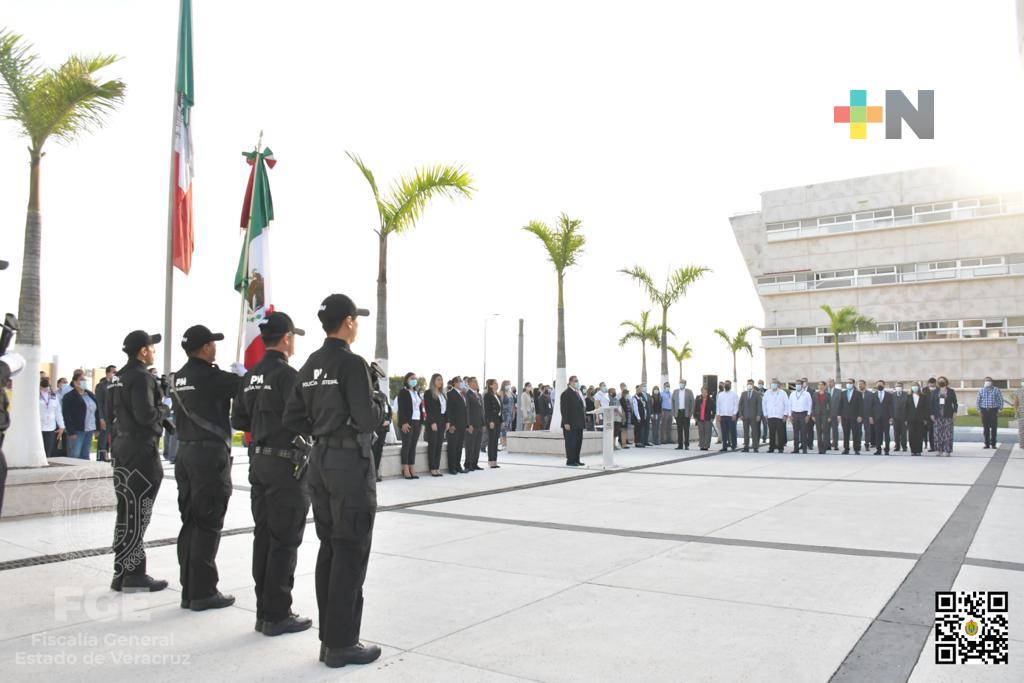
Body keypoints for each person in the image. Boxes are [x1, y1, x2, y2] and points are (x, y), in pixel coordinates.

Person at [281, 294, 386, 667]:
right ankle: (342, 643)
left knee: (330, 547)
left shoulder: (309, 365)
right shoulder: (352, 364)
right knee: (350, 548)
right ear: (347, 322)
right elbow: (369, 419)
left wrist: (322, 429)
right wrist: (376, 399)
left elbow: (292, 419)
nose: (356, 323)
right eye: (355, 318)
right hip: (347, 465)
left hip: (319, 462)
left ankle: (330, 640)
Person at [230, 311, 311, 636]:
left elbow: (239, 421)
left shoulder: (250, 376)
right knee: (284, 537)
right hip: (284, 465)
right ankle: (278, 614)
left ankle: (265, 611)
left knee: (263, 535)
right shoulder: (288, 376)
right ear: (287, 338)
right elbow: (306, 418)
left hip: (259, 461)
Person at [171, 324, 245, 611]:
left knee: (190, 522)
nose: (215, 347)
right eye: (212, 343)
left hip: (186, 455)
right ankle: (203, 592)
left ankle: (189, 588)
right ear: (205, 348)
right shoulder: (210, 376)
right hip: (208, 458)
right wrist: (242, 374)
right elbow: (247, 387)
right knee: (208, 523)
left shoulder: (179, 377)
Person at [107, 330, 169, 592]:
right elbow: (147, 417)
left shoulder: (117, 377)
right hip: (140, 450)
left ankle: (121, 572)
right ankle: (134, 574)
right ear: (143, 351)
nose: (153, 350)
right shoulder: (142, 377)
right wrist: (163, 402)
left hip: (121, 446)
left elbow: (110, 411)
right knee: (138, 511)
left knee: (126, 509)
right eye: (151, 347)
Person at [62, 373, 99, 460]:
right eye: (81, 380)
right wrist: (71, 431)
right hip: (77, 430)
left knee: (85, 454)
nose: (84, 382)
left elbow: (97, 410)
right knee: (75, 454)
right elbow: (67, 415)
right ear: (75, 382)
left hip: (89, 428)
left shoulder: (90, 394)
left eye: (85, 380)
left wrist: (98, 427)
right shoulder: (69, 396)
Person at [396, 372, 424, 479]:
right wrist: (403, 422)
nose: (414, 380)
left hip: (417, 421)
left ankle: (412, 467)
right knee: (406, 445)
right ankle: (405, 468)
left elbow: (420, 408)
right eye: (412, 378)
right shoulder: (403, 392)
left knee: (413, 446)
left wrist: (421, 422)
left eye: (415, 378)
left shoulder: (416, 393)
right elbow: (401, 409)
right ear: (407, 380)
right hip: (408, 422)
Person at [423, 374, 447, 477]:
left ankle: (437, 467)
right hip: (433, 421)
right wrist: (432, 422)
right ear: (433, 381)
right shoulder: (428, 393)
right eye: (438, 379)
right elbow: (428, 409)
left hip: (442, 421)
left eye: (441, 380)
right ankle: (432, 468)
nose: (440, 381)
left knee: (439, 445)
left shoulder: (443, 394)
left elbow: (446, 409)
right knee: (433, 445)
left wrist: (447, 421)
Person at [560, 375, 586, 466]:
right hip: (570, 423)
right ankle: (570, 460)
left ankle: (576, 459)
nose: (577, 382)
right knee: (571, 442)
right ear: (570, 382)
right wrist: (566, 422)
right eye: (575, 381)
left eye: (577, 381)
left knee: (578, 442)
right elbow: (564, 409)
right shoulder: (566, 393)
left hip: (579, 423)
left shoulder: (577, 392)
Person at [445, 376, 468, 475]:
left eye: (462, 381)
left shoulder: (462, 394)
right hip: (454, 426)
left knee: (459, 447)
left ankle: (458, 466)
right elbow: (449, 410)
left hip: (462, 425)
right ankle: (452, 467)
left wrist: (466, 424)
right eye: (460, 381)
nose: (462, 383)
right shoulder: (450, 394)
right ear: (454, 383)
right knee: (452, 447)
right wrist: (451, 424)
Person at [929, 376, 958, 457]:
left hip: (948, 415)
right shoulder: (934, 392)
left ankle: (947, 450)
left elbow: (955, 403)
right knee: (938, 433)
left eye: (943, 380)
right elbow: (931, 404)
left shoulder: (951, 391)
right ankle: (939, 450)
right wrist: (931, 414)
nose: (941, 382)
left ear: (946, 382)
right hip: (937, 415)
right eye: (940, 381)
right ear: (938, 383)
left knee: (948, 433)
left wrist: (955, 412)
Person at [863, 380, 893, 455]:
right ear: (876, 386)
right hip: (876, 418)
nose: (879, 386)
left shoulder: (889, 395)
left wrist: (891, 417)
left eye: (881, 384)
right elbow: (871, 407)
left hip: (886, 418)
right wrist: (870, 417)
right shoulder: (873, 395)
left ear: (884, 385)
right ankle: (878, 449)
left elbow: (891, 407)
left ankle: (887, 449)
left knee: (886, 434)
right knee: (878, 434)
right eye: (878, 385)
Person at [94, 365, 116, 462]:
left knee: (114, 439)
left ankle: (112, 457)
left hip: (115, 417)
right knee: (103, 440)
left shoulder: (117, 385)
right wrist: (101, 418)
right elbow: (99, 403)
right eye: (113, 372)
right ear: (107, 373)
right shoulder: (101, 386)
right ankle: (101, 458)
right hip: (105, 417)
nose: (115, 374)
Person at [976, 376, 1004, 449]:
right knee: (986, 428)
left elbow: (1000, 400)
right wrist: (979, 410)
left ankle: (993, 444)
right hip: (984, 410)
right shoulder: (981, 390)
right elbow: (978, 401)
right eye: (986, 381)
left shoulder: (996, 390)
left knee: (994, 428)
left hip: (993, 410)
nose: (987, 382)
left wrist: (1000, 409)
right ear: (984, 382)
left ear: (991, 382)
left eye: (989, 380)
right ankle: (987, 444)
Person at [762, 380, 790, 453]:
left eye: (775, 383)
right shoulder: (767, 393)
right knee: (771, 433)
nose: (773, 385)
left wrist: (785, 414)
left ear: (778, 385)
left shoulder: (782, 393)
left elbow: (786, 404)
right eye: (772, 383)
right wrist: (765, 414)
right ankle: (771, 447)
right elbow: (764, 404)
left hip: (779, 416)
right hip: (770, 415)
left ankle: (780, 448)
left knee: (780, 432)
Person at [39, 377, 64, 458]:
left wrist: (62, 426)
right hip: (38, 428)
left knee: (48, 452)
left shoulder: (53, 395)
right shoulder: (35, 395)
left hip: (50, 428)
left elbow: (58, 412)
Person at [464, 377, 484, 471]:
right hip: (472, 424)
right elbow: (467, 410)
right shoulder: (467, 394)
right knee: (470, 445)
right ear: (469, 383)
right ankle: (468, 464)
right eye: (474, 381)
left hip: (479, 423)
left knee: (477, 445)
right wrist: (468, 424)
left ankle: (475, 463)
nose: (477, 383)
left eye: (477, 381)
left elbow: (481, 410)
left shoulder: (479, 395)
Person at [838, 378, 863, 455]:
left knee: (856, 433)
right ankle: (846, 449)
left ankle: (856, 449)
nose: (848, 384)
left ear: (853, 384)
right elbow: (840, 405)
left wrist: (860, 415)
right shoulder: (843, 393)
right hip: (845, 417)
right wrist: (839, 415)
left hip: (855, 417)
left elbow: (861, 406)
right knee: (846, 434)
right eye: (847, 382)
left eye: (850, 383)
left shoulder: (858, 393)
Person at [738, 379, 763, 452]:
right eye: (748, 383)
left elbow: (759, 405)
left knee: (754, 432)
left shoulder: (757, 394)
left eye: (751, 384)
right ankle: (746, 446)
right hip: (745, 416)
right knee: (746, 432)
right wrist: (740, 414)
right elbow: (740, 405)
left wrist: (759, 415)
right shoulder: (743, 394)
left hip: (754, 416)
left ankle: (755, 447)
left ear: (753, 385)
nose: (749, 385)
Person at [788, 379, 811, 454]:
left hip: (803, 414)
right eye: (796, 384)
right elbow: (789, 405)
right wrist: (790, 415)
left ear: (802, 385)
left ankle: (804, 448)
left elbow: (810, 405)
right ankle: (796, 448)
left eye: (799, 384)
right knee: (795, 432)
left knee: (803, 432)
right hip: (794, 414)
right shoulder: (792, 394)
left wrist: (808, 415)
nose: (797, 385)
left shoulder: (806, 394)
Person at [484, 379, 502, 467]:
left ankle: (495, 460)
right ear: (490, 385)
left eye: (497, 383)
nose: (497, 384)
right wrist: (490, 421)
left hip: (497, 419)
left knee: (495, 441)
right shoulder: (487, 395)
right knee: (491, 441)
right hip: (492, 420)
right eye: (495, 383)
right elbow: (487, 410)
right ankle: (491, 460)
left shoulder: (497, 395)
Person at [716, 380, 738, 452]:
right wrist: (718, 414)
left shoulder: (734, 394)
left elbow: (736, 405)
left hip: (731, 416)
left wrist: (735, 414)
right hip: (723, 416)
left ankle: (734, 445)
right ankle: (724, 446)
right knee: (724, 432)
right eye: (725, 384)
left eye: (728, 384)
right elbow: (718, 405)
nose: (726, 385)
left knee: (732, 431)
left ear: (730, 386)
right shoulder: (720, 394)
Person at [908, 382, 930, 455]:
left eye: (916, 386)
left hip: (921, 419)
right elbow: (905, 408)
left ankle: (918, 450)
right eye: (913, 386)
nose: (915, 387)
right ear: (911, 387)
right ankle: (913, 451)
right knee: (911, 435)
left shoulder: (923, 396)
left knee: (919, 435)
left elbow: (926, 408)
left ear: (919, 387)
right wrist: (905, 419)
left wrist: (926, 419)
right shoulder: (908, 396)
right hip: (910, 419)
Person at [810, 381, 831, 454]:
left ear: (825, 386)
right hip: (817, 415)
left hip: (825, 415)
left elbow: (830, 406)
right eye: (819, 385)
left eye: (822, 385)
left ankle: (824, 448)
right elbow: (813, 405)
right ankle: (820, 448)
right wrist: (812, 415)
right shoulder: (815, 394)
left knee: (825, 432)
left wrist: (829, 416)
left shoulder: (828, 394)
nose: (820, 387)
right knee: (819, 432)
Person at [672, 379, 694, 450]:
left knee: (686, 429)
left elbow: (693, 403)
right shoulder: (675, 392)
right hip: (678, 413)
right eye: (680, 382)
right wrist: (674, 413)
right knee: (679, 429)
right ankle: (680, 445)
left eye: (683, 383)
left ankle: (686, 445)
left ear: (685, 384)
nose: (681, 384)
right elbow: (672, 402)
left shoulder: (689, 392)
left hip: (686, 413)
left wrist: (690, 413)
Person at [694, 386, 716, 450]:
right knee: (701, 433)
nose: (704, 393)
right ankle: (701, 445)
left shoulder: (711, 400)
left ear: (707, 393)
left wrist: (712, 417)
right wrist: (695, 417)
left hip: (708, 419)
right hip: (700, 419)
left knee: (707, 433)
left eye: (705, 392)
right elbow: (695, 409)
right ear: (701, 392)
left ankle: (706, 446)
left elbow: (714, 410)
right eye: (703, 392)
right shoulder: (698, 400)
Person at [891, 383, 911, 452]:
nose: (898, 387)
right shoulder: (892, 395)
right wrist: (891, 417)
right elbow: (891, 407)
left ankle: (904, 446)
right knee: (896, 433)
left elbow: (908, 407)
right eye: (897, 386)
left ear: (902, 387)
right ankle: (897, 446)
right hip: (895, 417)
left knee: (903, 433)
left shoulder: (906, 395)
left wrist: (907, 418)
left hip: (904, 417)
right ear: (895, 387)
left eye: (899, 386)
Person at [923, 377, 938, 452]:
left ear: (935, 383)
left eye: (933, 384)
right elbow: (922, 404)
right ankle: (932, 447)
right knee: (931, 432)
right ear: (928, 383)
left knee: (938, 431)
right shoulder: (924, 390)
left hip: (938, 414)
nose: (931, 385)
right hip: (928, 415)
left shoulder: (939, 389)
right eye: (930, 384)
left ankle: (939, 446)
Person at [827, 378, 842, 451]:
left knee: (835, 430)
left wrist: (840, 415)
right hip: (826, 415)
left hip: (835, 415)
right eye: (828, 382)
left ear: (834, 383)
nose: (829, 383)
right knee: (826, 430)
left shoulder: (839, 392)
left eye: (831, 382)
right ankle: (827, 444)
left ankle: (835, 444)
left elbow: (841, 404)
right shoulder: (824, 391)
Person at [500, 381, 515, 450]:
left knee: (509, 428)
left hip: (510, 413)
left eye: (509, 384)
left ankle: (507, 443)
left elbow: (513, 404)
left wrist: (513, 413)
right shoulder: (501, 392)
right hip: (504, 413)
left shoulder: (510, 393)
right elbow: (500, 403)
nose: (508, 385)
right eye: (507, 384)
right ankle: (503, 444)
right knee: (504, 428)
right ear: (503, 385)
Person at [1013, 379, 1024, 450]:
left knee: (1021, 429)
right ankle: (1022, 444)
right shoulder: (1018, 391)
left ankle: (1022, 444)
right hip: (1021, 412)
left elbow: (1015, 403)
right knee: (1021, 429)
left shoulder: (1018, 391)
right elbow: (1016, 402)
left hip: (1020, 411)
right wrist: (1016, 412)